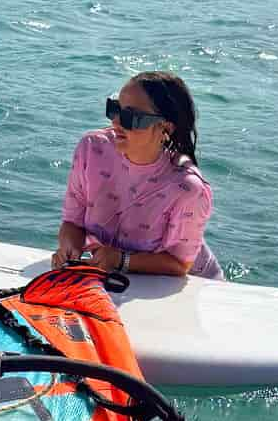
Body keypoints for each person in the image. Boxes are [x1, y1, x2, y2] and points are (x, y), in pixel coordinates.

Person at [52, 72, 223, 279]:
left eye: (131, 117)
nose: (116, 122)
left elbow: (180, 264)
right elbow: (73, 221)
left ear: (165, 128)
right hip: (118, 277)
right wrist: (69, 250)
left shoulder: (187, 188)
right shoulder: (91, 149)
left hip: (190, 285)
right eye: (115, 109)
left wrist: (120, 259)